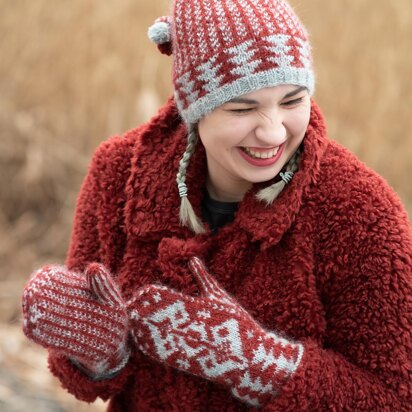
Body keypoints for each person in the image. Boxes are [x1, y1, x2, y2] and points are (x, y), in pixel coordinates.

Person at [21, 0, 411, 410]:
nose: (273, 131)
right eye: (242, 108)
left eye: (293, 101)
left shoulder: (359, 209)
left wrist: (258, 363)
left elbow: (396, 397)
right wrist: (98, 355)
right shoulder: (119, 174)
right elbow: (80, 377)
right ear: (195, 110)